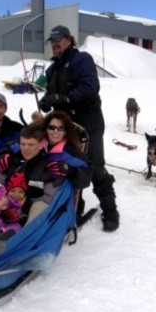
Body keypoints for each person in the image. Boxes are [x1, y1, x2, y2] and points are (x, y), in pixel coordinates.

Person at [35, 25, 120, 232]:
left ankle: (110, 210)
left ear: (69, 40)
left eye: (59, 39)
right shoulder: (52, 68)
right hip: (66, 124)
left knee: (94, 166)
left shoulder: (82, 59)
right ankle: (75, 207)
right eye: (52, 41)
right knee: (69, 165)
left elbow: (89, 89)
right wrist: (47, 101)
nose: (55, 43)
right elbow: (50, 93)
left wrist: (63, 98)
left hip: (88, 120)